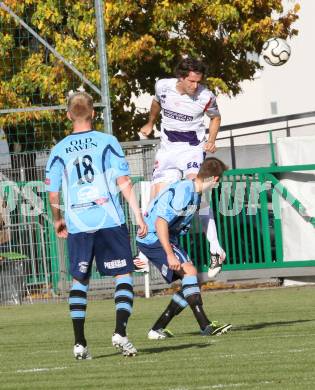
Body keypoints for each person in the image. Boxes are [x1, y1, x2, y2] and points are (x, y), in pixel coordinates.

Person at [45, 91, 147, 359]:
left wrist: (58, 219)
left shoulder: (58, 150)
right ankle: (120, 333)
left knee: (80, 280)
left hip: (78, 222)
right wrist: (138, 215)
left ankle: (80, 343)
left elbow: (53, 193)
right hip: (109, 219)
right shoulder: (107, 141)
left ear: (68, 115)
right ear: (93, 113)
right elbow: (123, 181)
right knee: (123, 276)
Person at [139, 57, 225, 276]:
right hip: (167, 149)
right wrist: (150, 122)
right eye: (192, 81)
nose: (195, 86)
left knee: (198, 190)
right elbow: (157, 103)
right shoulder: (163, 86)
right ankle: (143, 253)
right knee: (156, 196)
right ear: (181, 77)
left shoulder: (206, 96)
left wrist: (212, 139)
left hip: (191, 149)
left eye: (198, 81)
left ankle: (215, 248)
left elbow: (215, 118)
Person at [136, 157, 232, 340]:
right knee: (190, 272)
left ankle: (157, 328)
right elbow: (160, 222)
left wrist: (215, 246)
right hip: (154, 237)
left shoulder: (194, 193)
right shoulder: (186, 192)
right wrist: (170, 255)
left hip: (161, 238)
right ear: (216, 179)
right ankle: (205, 325)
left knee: (190, 281)